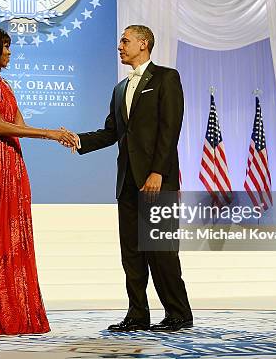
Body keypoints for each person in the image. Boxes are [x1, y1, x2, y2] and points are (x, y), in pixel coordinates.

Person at [0, 26, 76, 335]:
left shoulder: (3, 83)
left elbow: (19, 125)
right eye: (5, 47)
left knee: (10, 232)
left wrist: (57, 135)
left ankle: (12, 307)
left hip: (10, 159)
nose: (9, 52)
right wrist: (50, 133)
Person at [74, 25, 193, 332]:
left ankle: (178, 313)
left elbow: (170, 128)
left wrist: (158, 171)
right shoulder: (119, 89)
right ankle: (137, 315)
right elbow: (112, 132)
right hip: (127, 183)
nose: (120, 46)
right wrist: (78, 140)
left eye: (125, 41)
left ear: (143, 43)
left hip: (157, 181)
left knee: (162, 252)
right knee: (132, 254)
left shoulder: (166, 78)